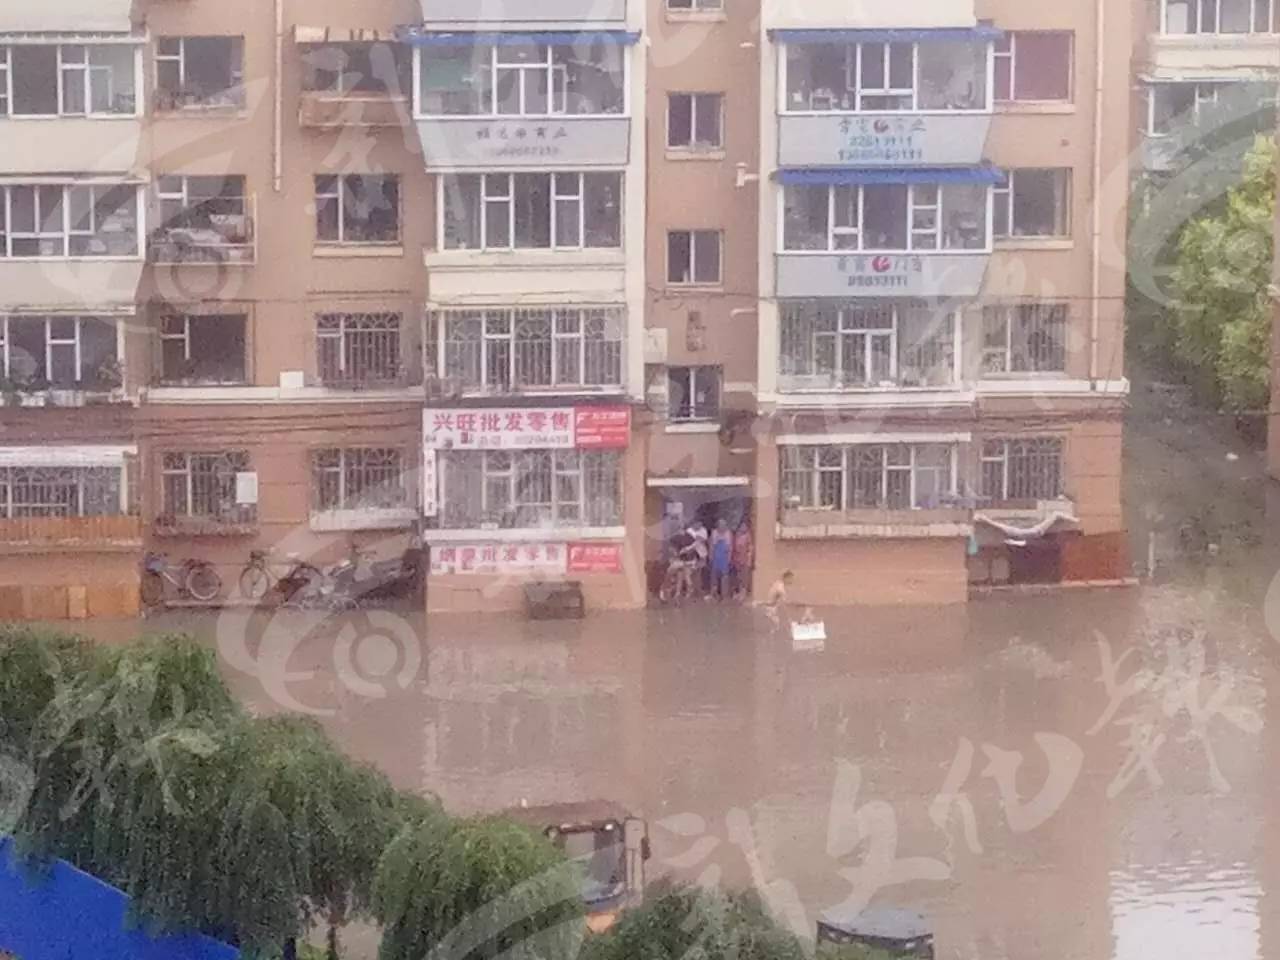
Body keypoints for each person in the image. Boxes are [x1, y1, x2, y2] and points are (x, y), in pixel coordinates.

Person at [709, 518, 733, 600]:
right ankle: (714, 594)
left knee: (725, 575)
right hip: (716, 556)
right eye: (721, 525)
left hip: (724, 557)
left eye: (724, 525)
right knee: (714, 575)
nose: (722, 527)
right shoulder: (714, 533)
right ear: (718, 526)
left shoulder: (728, 533)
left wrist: (729, 558)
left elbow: (730, 547)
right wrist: (711, 556)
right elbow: (711, 546)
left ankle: (724, 594)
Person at [731, 521, 754, 599]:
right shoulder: (736, 535)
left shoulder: (748, 536)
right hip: (737, 559)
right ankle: (737, 592)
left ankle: (743, 593)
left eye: (745, 526)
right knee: (737, 576)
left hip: (745, 559)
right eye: (742, 526)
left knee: (744, 577)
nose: (743, 528)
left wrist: (748, 559)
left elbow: (750, 549)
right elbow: (733, 547)